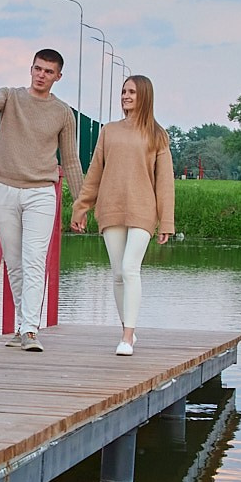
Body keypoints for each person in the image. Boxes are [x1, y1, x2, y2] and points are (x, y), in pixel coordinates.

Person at [0, 48, 84, 353]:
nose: (41, 75)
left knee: (35, 261)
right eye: (37, 69)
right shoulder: (12, 97)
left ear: (58, 76)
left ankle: (31, 330)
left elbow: (70, 161)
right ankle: (23, 324)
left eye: (48, 71)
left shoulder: (63, 113)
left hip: (41, 192)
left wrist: (81, 202)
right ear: (30, 69)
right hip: (5, 187)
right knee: (15, 262)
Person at [69, 73, 174, 356]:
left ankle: (128, 337)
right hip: (111, 208)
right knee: (117, 274)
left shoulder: (157, 135)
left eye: (132, 92)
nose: (126, 96)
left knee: (130, 268)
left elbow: (165, 182)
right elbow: (95, 173)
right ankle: (127, 328)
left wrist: (166, 221)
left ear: (144, 97)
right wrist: (81, 206)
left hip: (143, 209)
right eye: (123, 92)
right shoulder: (109, 131)